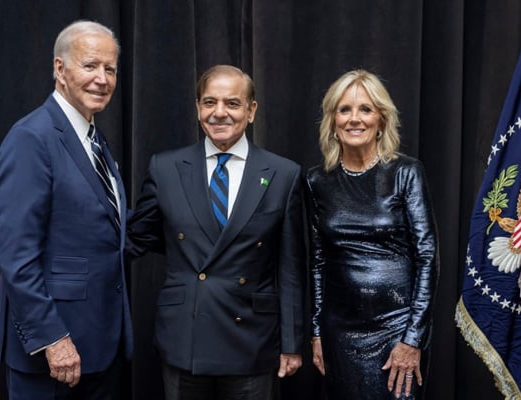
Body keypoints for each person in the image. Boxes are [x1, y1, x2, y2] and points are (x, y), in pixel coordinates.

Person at [127, 64, 305, 400]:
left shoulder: (284, 173)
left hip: (251, 339)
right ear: (197, 108)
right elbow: (140, 238)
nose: (219, 113)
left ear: (251, 111)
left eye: (232, 103)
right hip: (185, 336)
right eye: (209, 102)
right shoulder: (165, 168)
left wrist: (293, 343)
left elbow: (291, 267)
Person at [0, 21, 132, 400]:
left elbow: (104, 229)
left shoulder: (92, 139)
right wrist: (53, 338)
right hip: (52, 353)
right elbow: (16, 255)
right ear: (59, 69)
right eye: (90, 66)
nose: (102, 79)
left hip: (99, 346)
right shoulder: (31, 138)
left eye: (110, 69)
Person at [306, 69, 439, 400]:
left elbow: (427, 257)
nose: (354, 119)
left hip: (397, 328)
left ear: (381, 119)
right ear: (332, 120)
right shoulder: (317, 181)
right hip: (339, 332)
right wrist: (317, 333)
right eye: (344, 109)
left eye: (365, 109)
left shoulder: (405, 173)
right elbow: (318, 262)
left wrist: (413, 339)